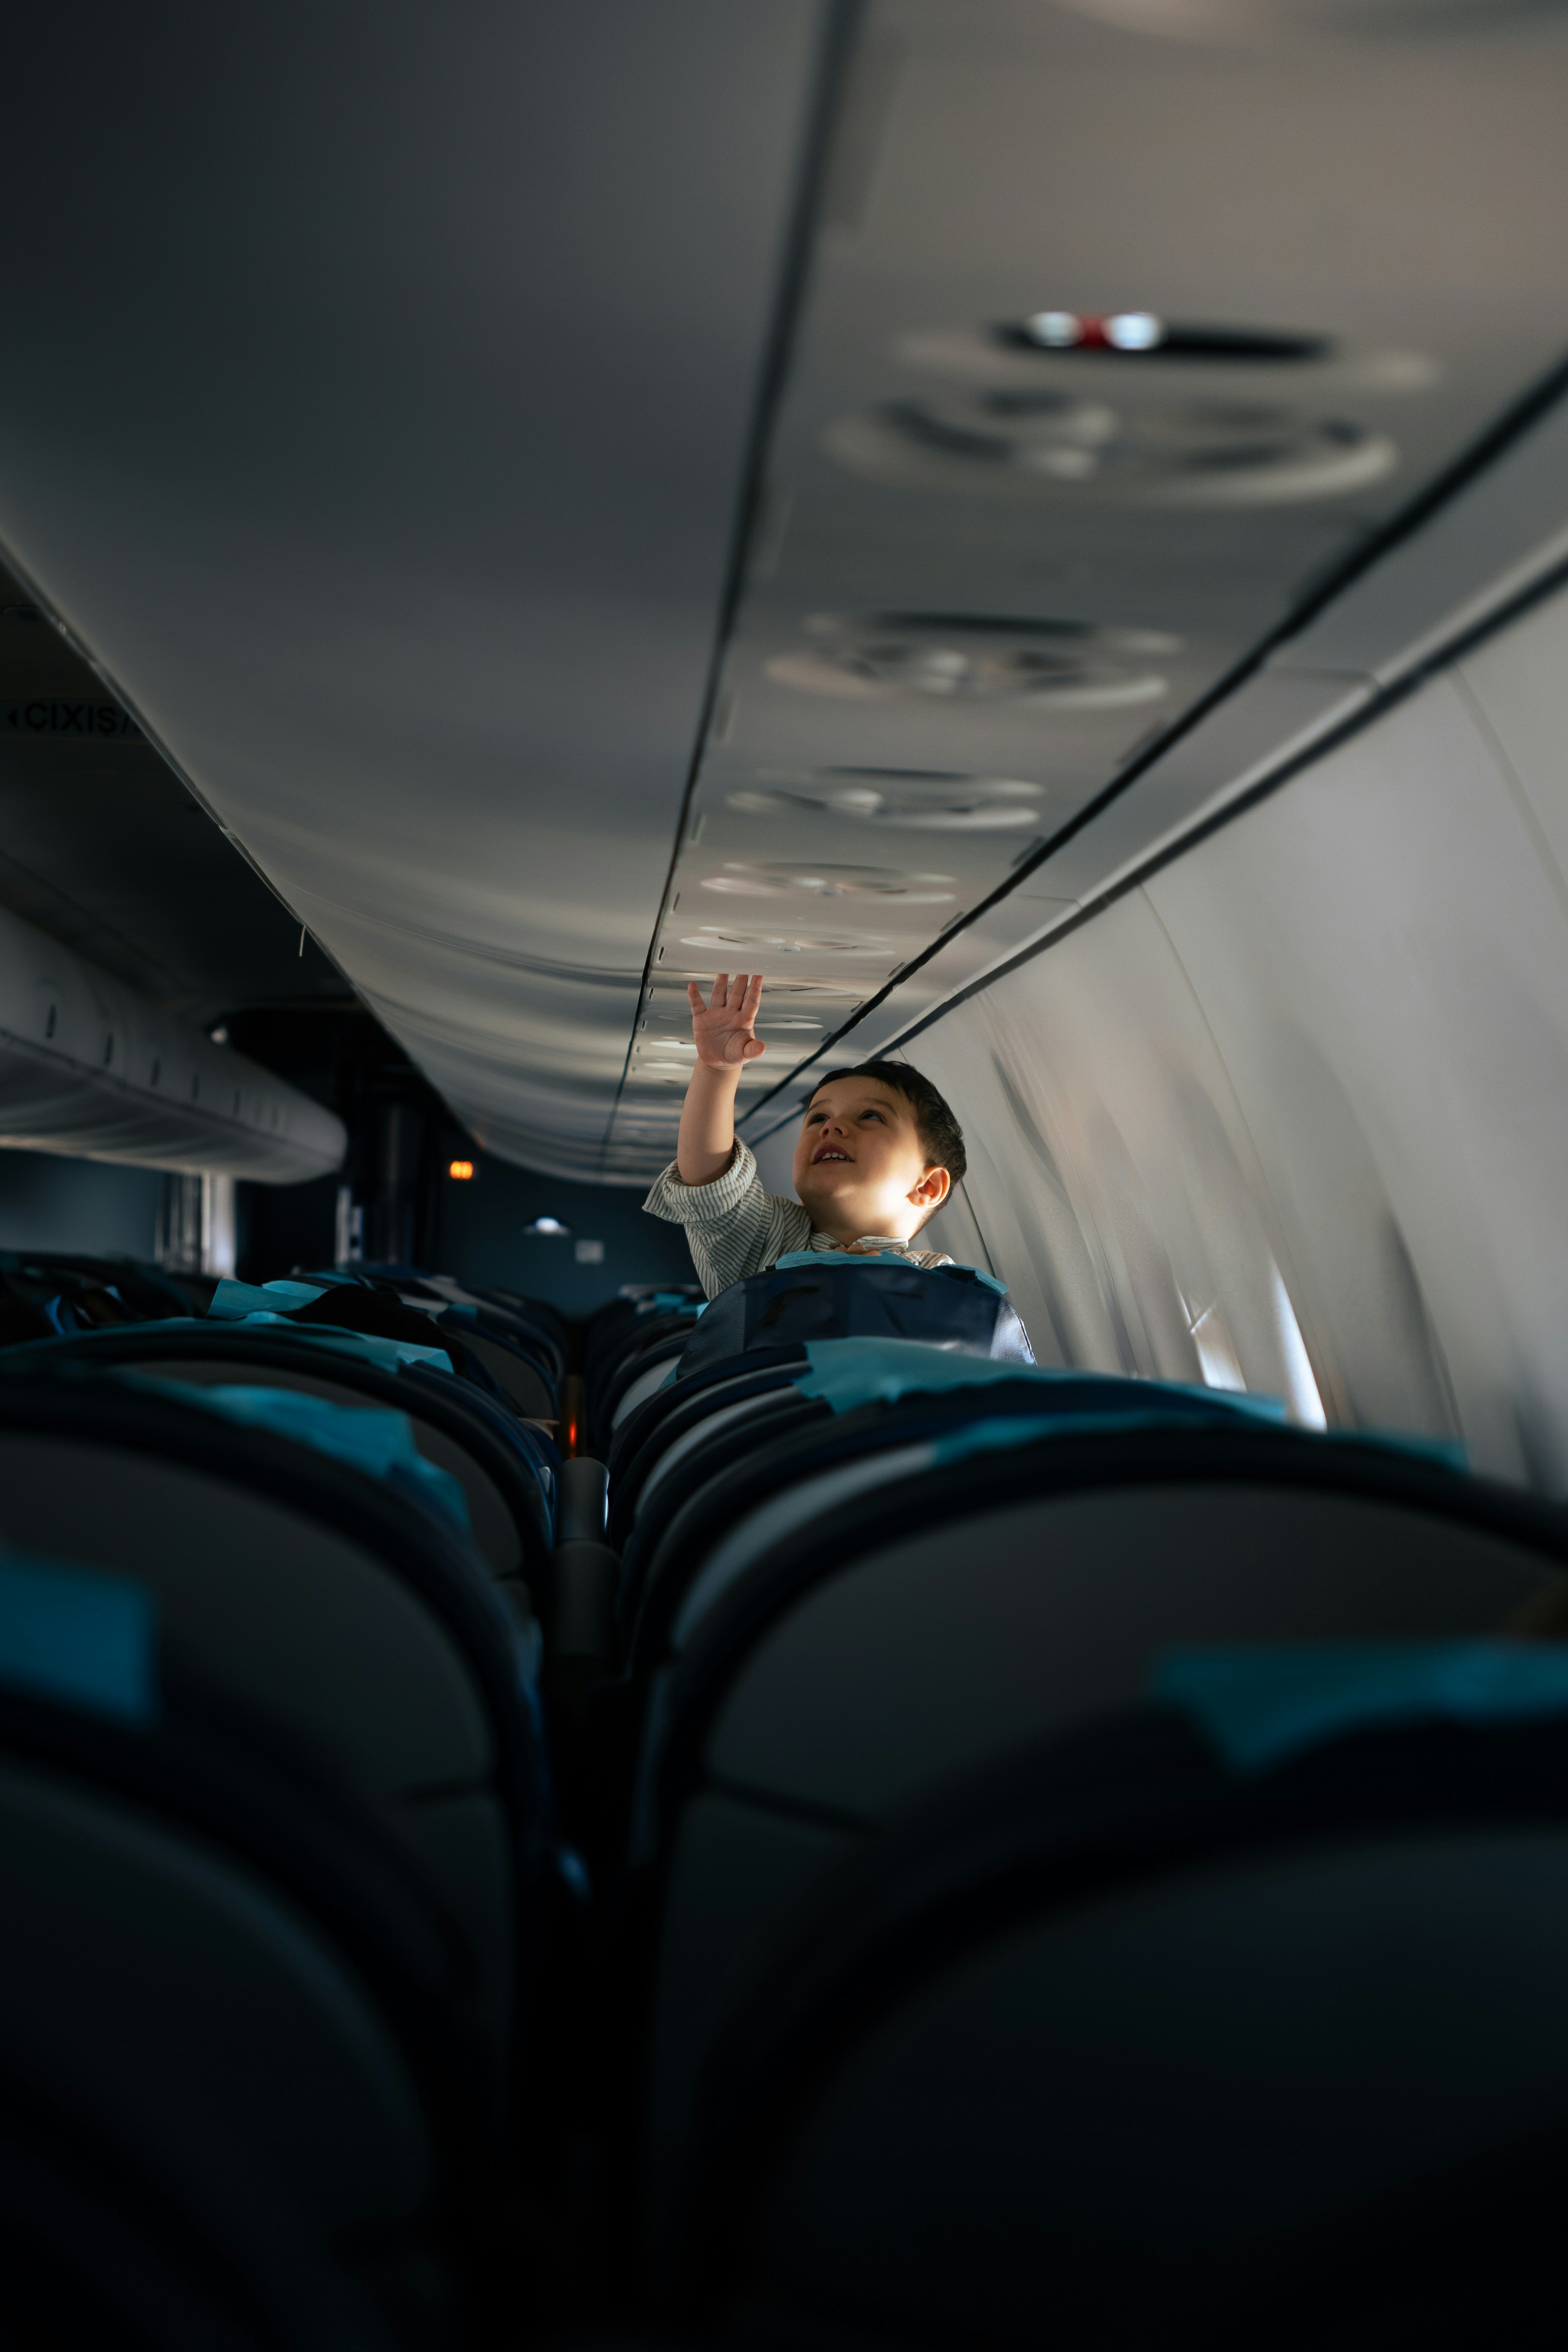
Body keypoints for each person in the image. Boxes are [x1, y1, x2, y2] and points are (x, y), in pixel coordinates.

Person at [642, 972, 968, 1301]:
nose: (831, 1127)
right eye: (818, 1118)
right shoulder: (769, 1236)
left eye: (871, 1116)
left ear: (927, 1186)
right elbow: (710, 1179)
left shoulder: (942, 1281)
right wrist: (717, 1070)